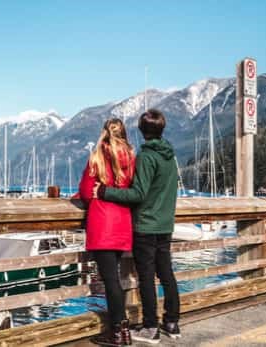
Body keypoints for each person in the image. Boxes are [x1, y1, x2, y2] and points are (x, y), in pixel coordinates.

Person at [94, 109, 181, 344]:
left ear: (142, 131)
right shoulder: (169, 156)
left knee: (146, 278)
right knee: (166, 274)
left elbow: (138, 194)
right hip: (165, 225)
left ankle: (151, 327)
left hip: (146, 226)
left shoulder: (146, 157)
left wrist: (104, 191)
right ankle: (172, 322)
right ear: (161, 129)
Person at [79, 118, 135, 347]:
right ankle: (122, 330)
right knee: (116, 279)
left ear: (104, 133)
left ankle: (119, 332)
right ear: (124, 133)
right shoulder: (131, 157)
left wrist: (96, 192)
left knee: (110, 280)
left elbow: (84, 192)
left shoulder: (97, 157)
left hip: (102, 224)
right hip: (122, 223)